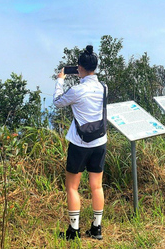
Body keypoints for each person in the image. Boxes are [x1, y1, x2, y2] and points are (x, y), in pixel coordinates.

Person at [53, 45, 107, 241]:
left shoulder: (77, 90)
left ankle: (73, 230)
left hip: (79, 143)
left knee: (72, 187)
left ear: (80, 68)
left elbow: (58, 102)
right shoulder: (103, 87)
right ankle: (96, 228)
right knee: (96, 186)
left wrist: (60, 81)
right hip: (100, 142)